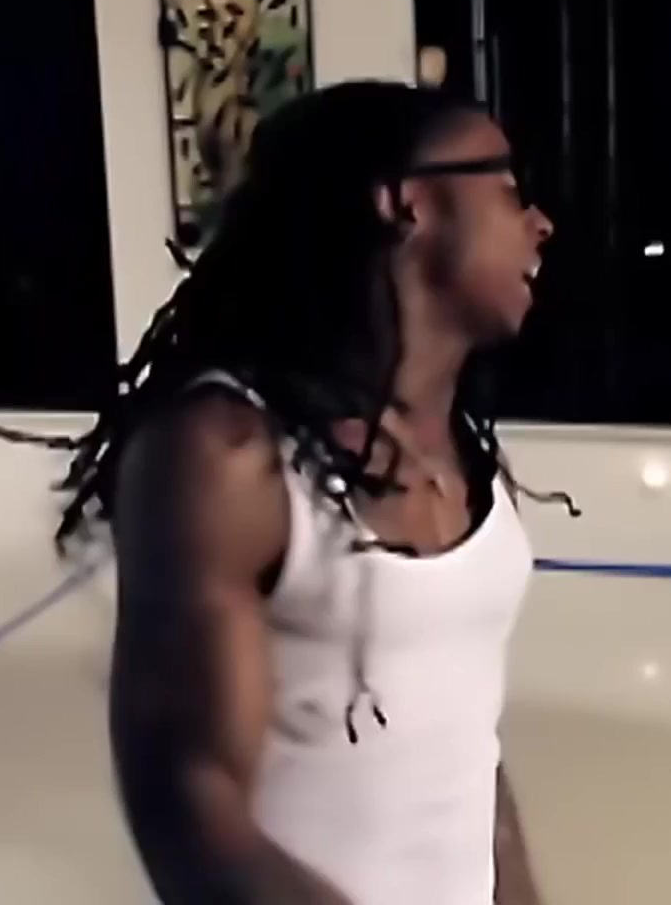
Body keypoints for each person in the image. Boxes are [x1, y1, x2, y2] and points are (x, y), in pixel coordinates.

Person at [58, 80, 569, 903]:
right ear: (407, 203)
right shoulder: (228, 455)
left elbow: (469, 741)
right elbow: (188, 801)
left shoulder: (461, 451)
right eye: (508, 191)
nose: (539, 223)